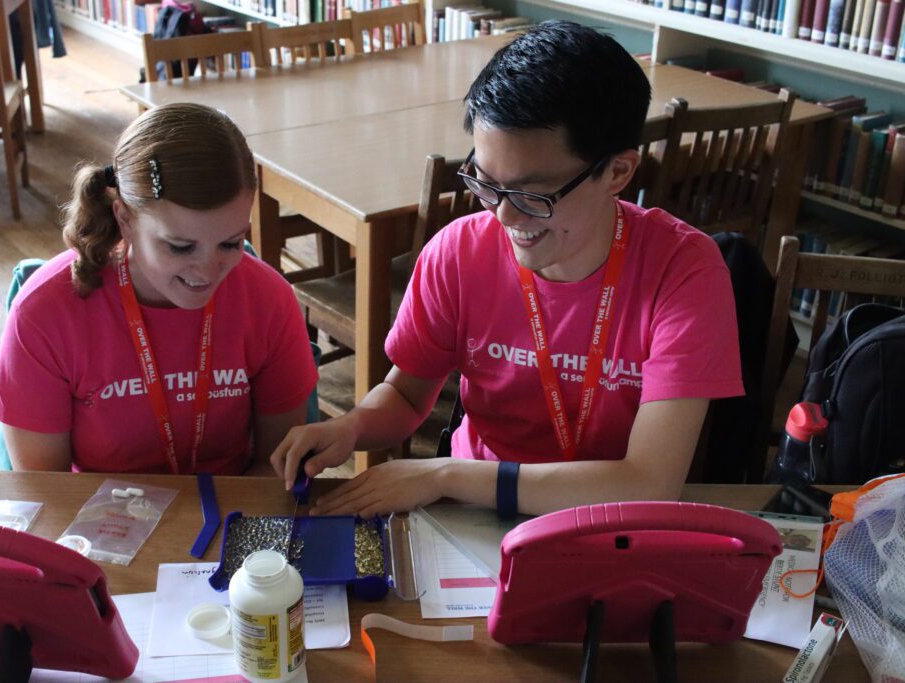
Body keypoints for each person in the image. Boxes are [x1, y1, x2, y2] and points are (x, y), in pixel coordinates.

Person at [271, 21, 743, 517]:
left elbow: (649, 483)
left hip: (607, 520)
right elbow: (408, 396)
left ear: (617, 172)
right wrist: (351, 428)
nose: (504, 216)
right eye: (485, 181)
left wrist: (447, 473)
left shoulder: (683, 270)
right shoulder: (457, 252)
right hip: (476, 514)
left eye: (533, 195)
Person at [0, 103, 317, 474]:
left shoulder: (268, 301)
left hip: (231, 520)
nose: (208, 270)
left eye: (231, 243)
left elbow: (278, 469)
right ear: (124, 219)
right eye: (180, 246)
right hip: (98, 524)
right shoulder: (44, 314)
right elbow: (46, 492)